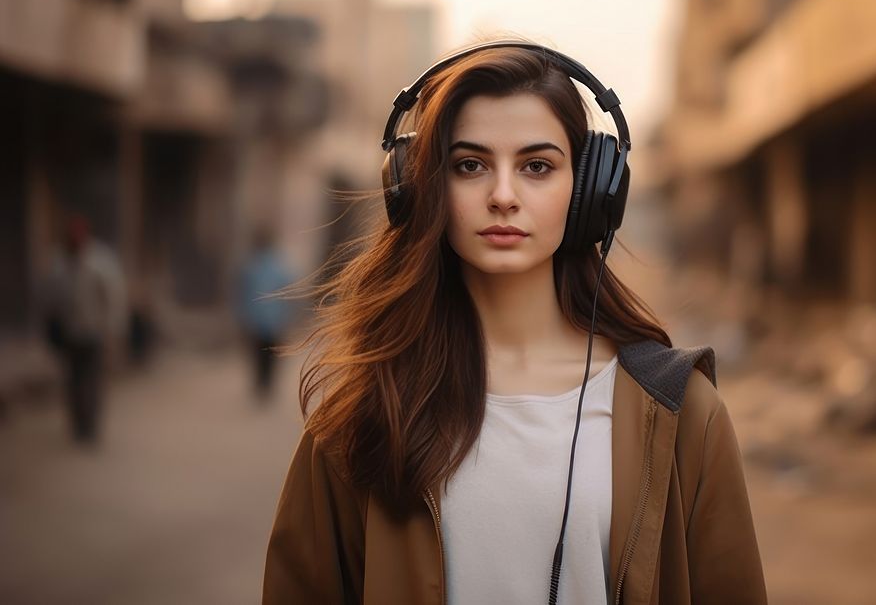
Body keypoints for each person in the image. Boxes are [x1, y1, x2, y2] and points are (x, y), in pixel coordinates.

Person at [262, 41, 767, 604]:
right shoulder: (365, 412)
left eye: (537, 166)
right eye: (470, 165)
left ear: (590, 193)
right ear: (422, 188)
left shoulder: (682, 413)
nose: (503, 196)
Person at [43, 214, 127, 444]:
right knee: (72, 381)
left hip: (93, 332)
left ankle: (90, 427)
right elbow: (52, 296)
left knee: (91, 381)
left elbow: (113, 298)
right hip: (69, 333)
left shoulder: (100, 261)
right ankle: (77, 426)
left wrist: (113, 330)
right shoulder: (60, 261)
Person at [237, 228, 296, 400]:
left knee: (258, 354)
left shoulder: (250, 266)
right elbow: (288, 293)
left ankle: (261, 384)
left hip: (256, 319)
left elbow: (242, 293)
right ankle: (266, 384)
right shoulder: (278, 266)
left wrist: (242, 316)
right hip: (273, 320)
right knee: (269, 355)